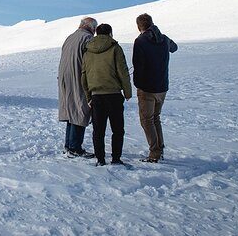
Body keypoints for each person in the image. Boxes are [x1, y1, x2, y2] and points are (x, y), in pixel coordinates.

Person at [81, 24, 132, 166]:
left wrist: (88, 96)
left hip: (96, 96)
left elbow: (83, 76)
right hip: (114, 94)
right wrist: (127, 92)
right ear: (110, 33)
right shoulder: (115, 48)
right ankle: (116, 158)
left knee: (98, 131)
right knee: (117, 129)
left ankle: (100, 159)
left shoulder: (87, 51)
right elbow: (122, 71)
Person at [132, 13, 178, 163]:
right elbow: (174, 47)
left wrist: (138, 84)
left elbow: (138, 65)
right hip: (162, 86)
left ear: (139, 26)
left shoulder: (140, 41)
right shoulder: (164, 38)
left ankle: (155, 153)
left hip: (147, 88)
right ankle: (160, 149)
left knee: (147, 120)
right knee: (155, 118)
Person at [58, 17, 97, 158]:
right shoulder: (87, 39)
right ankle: (75, 147)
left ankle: (69, 145)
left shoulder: (70, 37)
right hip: (78, 78)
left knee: (70, 111)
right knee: (80, 110)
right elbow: (90, 62)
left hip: (65, 79)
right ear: (91, 28)